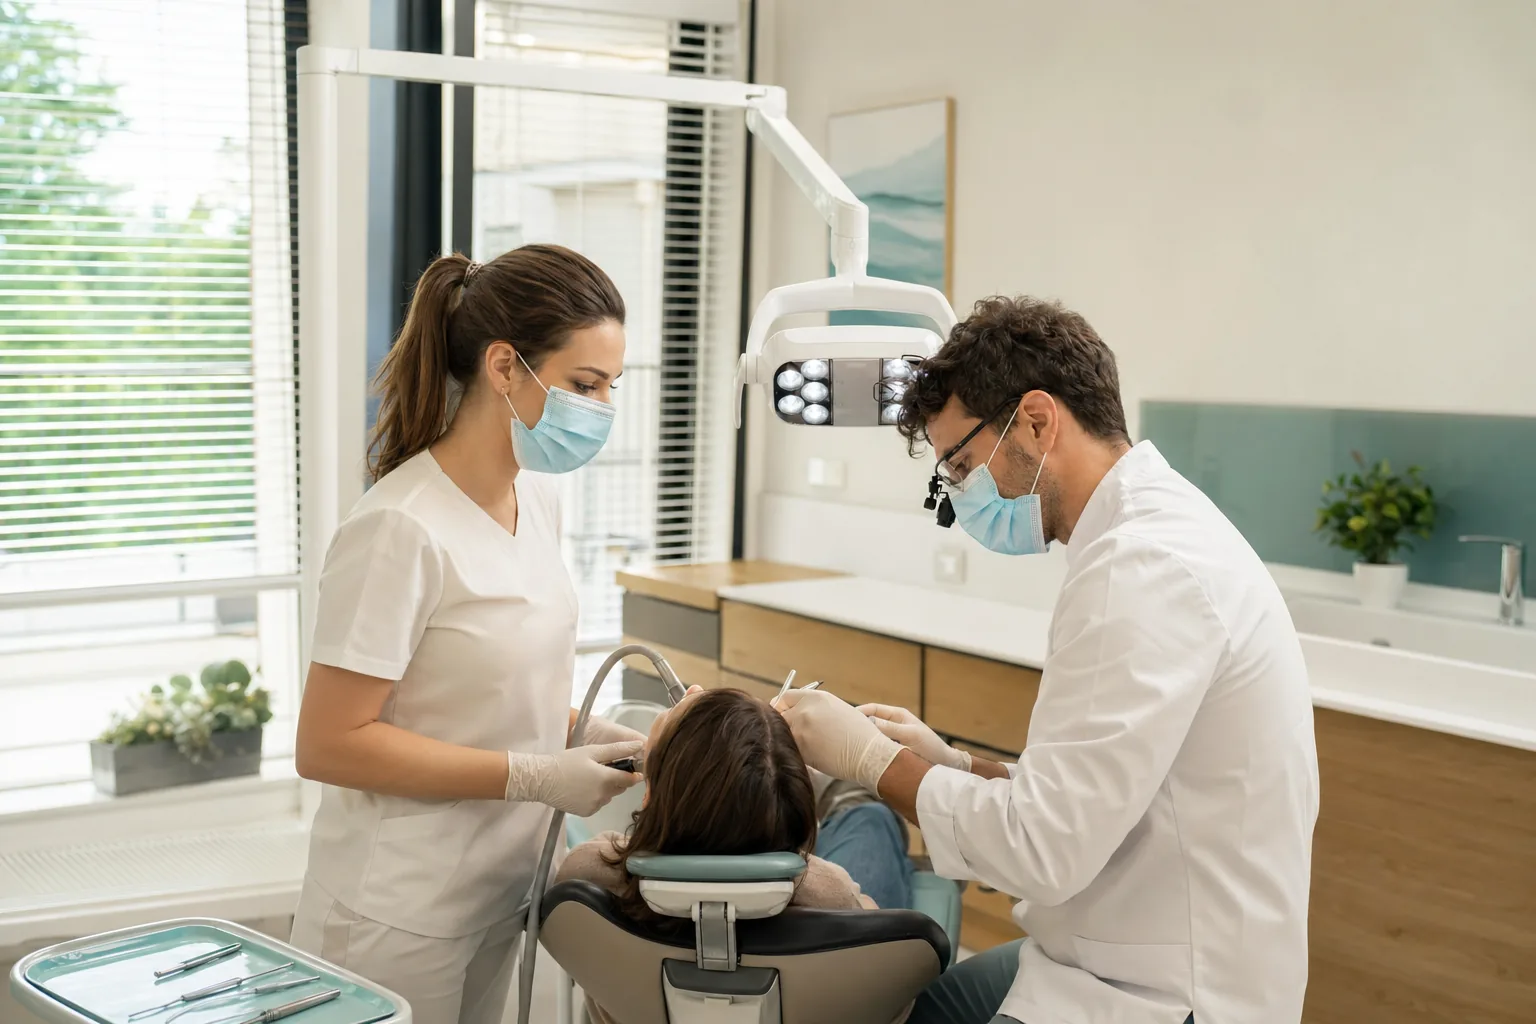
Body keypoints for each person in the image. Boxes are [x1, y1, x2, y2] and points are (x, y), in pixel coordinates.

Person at [780, 296, 1319, 1024]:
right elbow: (1106, 786)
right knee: (921, 1005)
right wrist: (957, 766)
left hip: (1160, 994)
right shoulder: (1141, 534)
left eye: (961, 464)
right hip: (1111, 948)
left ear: (1037, 419)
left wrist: (873, 762)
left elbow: (1042, 847)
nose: (960, 496)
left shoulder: (1143, 568)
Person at [289, 244, 651, 1024]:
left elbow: (498, 700)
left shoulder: (540, 503)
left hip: (505, 888)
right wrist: (535, 776)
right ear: (504, 367)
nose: (602, 408)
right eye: (585, 385)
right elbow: (328, 744)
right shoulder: (400, 526)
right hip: (396, 910)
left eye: (611, 387)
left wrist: (623, 740)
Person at [558, 686, 919, 1024]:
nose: (695, 690)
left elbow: (619, 849)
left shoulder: (588, 881)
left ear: (649, 796)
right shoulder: (829, 893)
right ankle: (826, 796)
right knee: (868, 819)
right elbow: (893, 993)